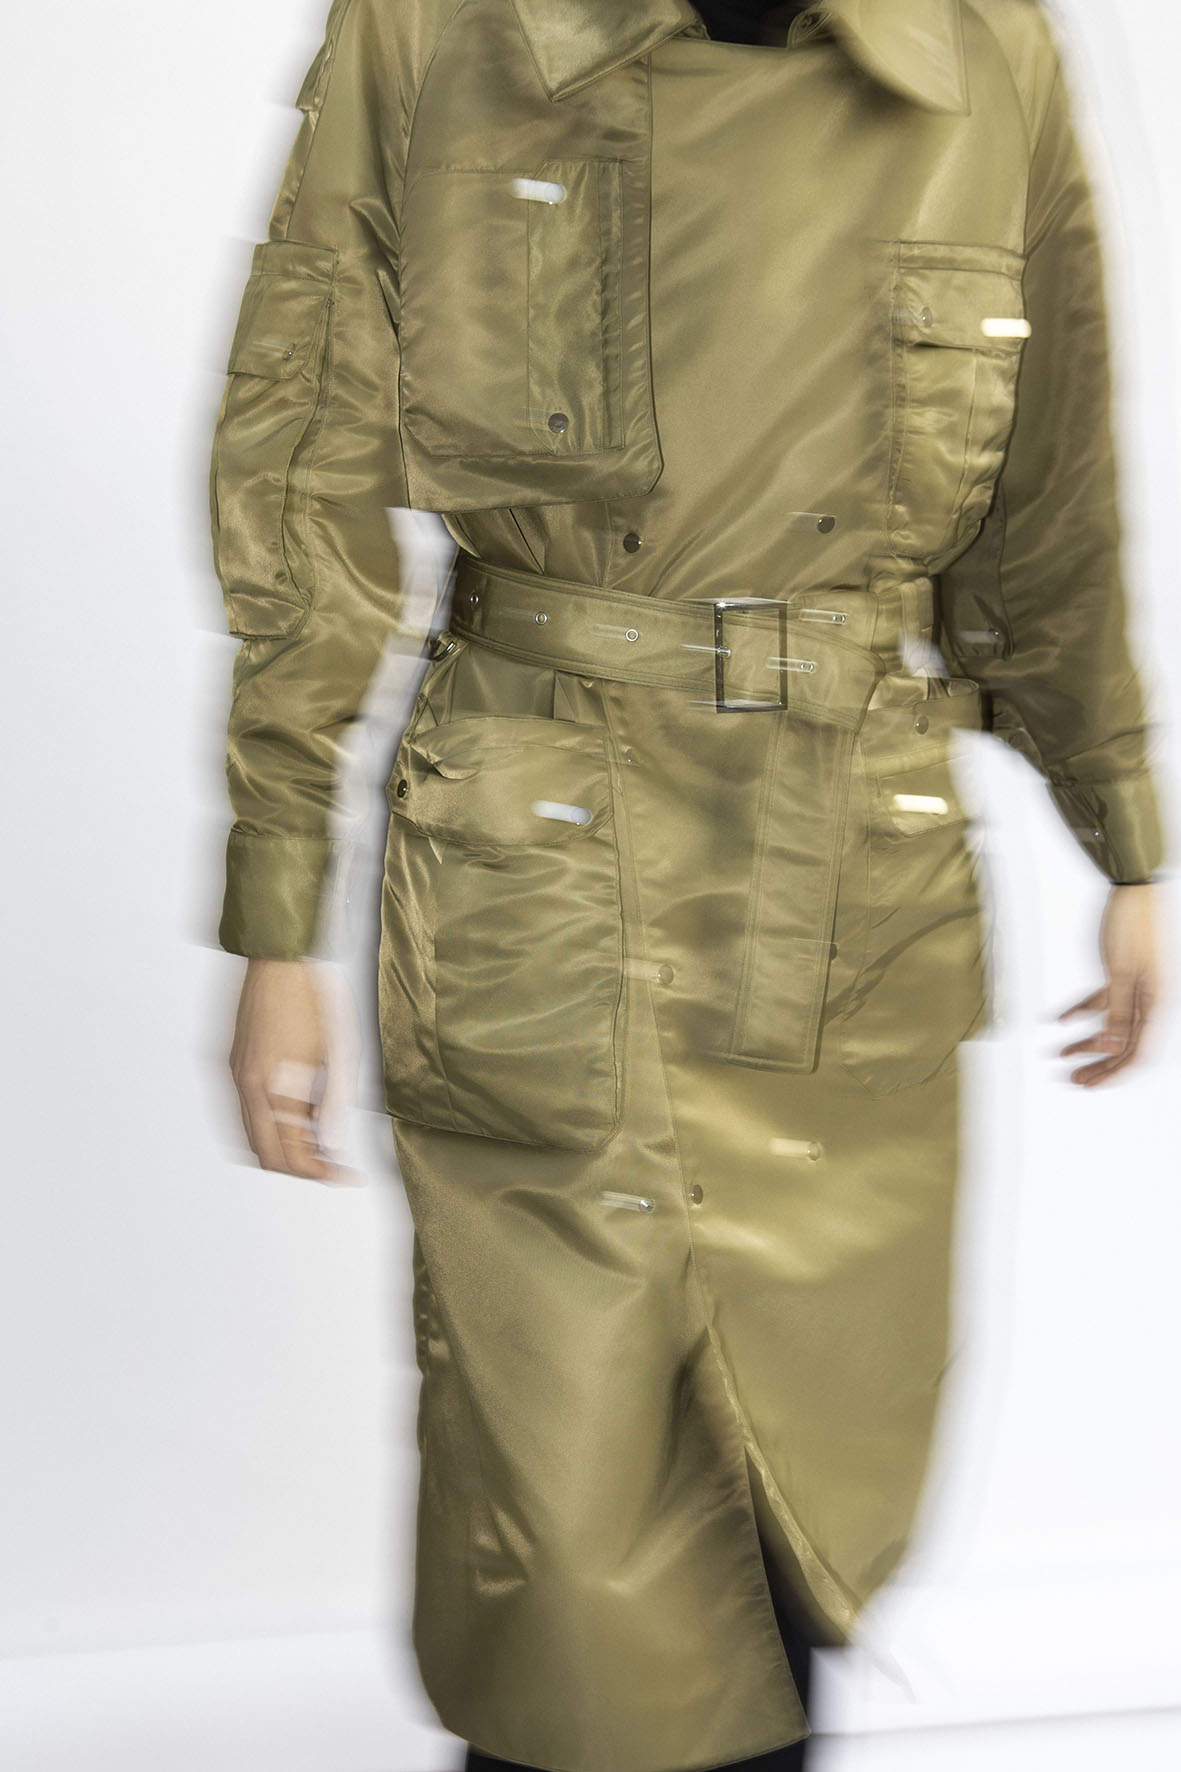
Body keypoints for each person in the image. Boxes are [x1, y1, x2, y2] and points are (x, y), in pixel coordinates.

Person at [212, 2, 1166, 1768]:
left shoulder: (985, 51)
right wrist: (274, 905)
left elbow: (1053, 483)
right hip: (539, 863)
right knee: (564, 1533)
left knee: (802, 1491)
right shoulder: (429, 32)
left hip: (849, 876)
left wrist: (1122, 825)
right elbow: (307, 466)